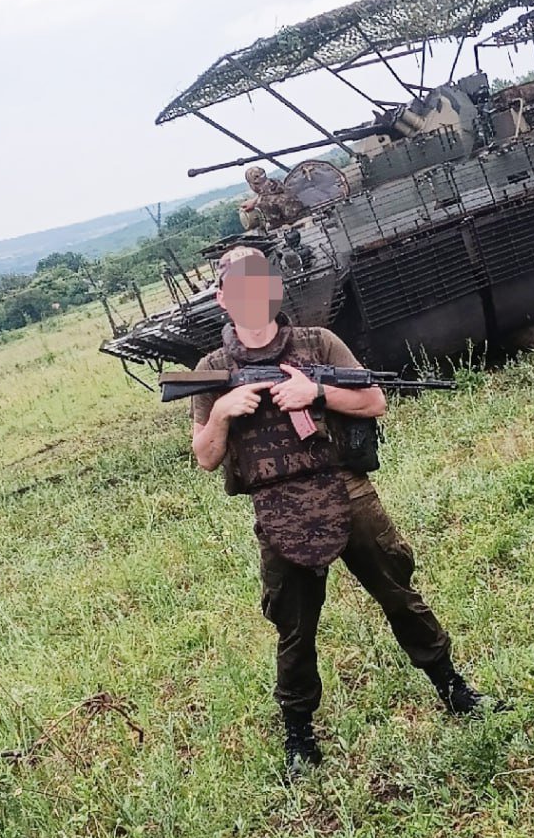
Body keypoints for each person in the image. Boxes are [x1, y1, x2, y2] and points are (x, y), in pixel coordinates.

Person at [189, 246, 492, 778]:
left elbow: (374, 402)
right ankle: (300, 737)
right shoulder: (212, 370)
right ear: (223, 299)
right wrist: (221, 413)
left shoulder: (318, 343)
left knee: (398, 592)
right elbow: (206, 458)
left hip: (344, 487)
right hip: (277, 502)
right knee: (295, 626)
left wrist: (316, 392)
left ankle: (453, 689)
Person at [240, 165, 303, 230]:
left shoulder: (264, 203)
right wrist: (254, 201)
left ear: (252, 185)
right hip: (305, 215)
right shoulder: (277, 184)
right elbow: (267, 192)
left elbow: (276, 225)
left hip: (296, 225)